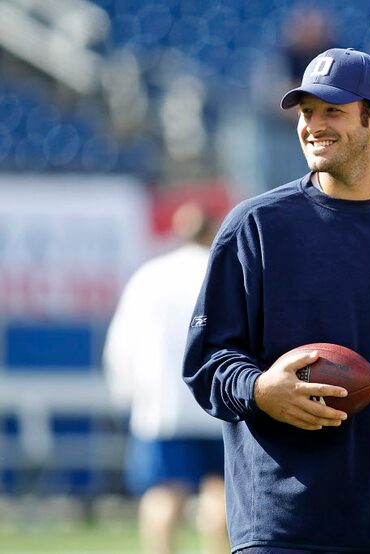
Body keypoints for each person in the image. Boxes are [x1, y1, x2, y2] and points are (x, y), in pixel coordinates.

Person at [183, 48, 370, 554]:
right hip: (281, 526)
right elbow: (205, 362)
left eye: (333, 111)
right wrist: (261, 389)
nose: (313, 126)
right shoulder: (255, 226)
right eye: (306, 112)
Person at [104, 202, 229, 554]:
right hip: (219, 402)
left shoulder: (149, 275)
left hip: (163, 407)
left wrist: (126, 394)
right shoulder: (222, 271)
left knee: (162, 493)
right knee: (222, 492)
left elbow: (121, 343)